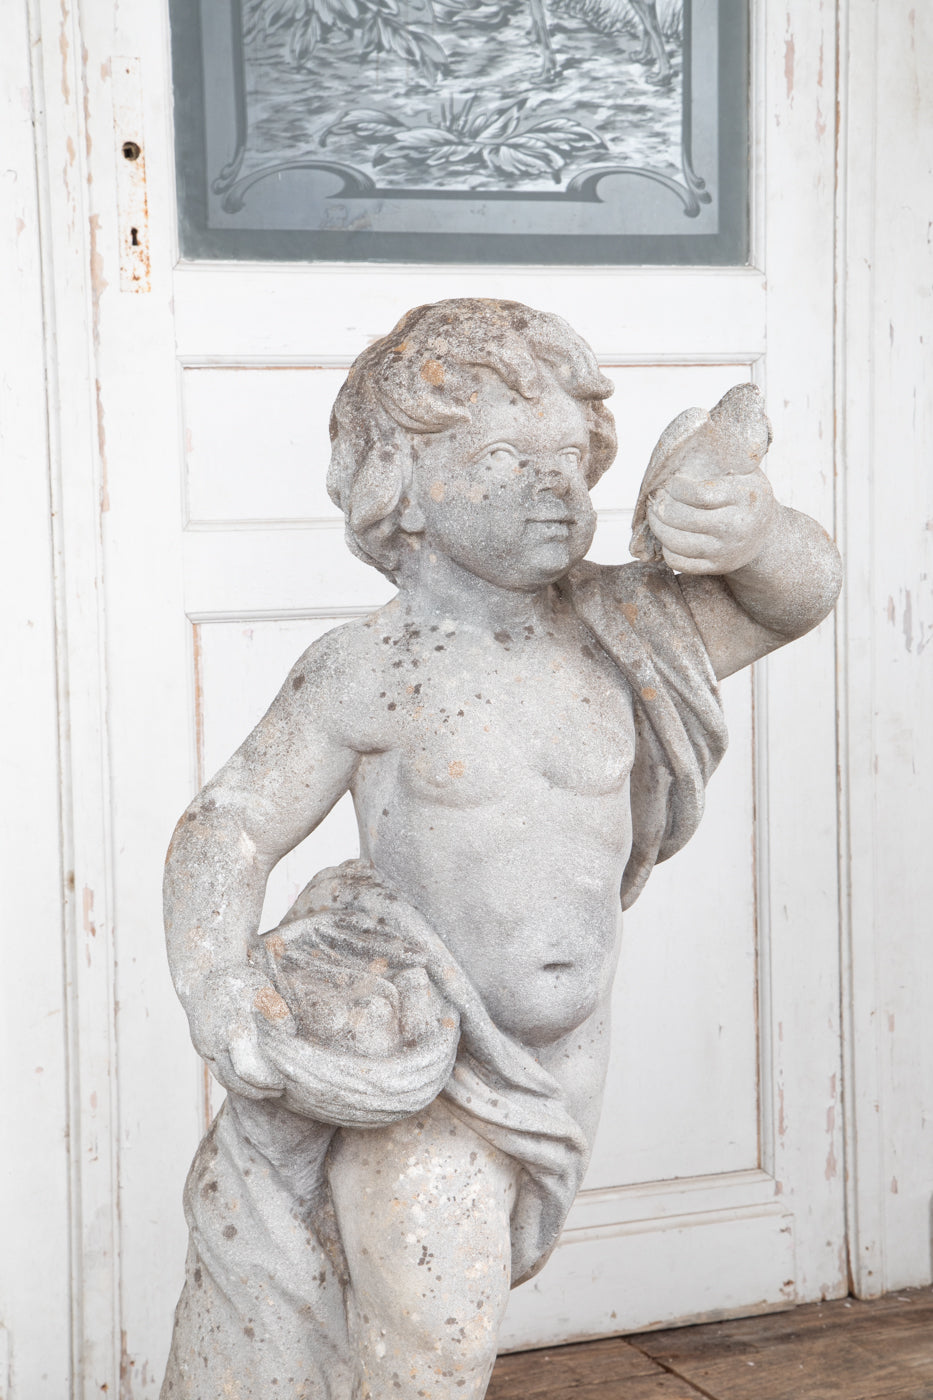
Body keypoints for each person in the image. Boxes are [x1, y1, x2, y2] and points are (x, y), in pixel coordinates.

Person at [160, 299, 842, 1400]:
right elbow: (229, 822)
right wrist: (215, 977)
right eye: (504, 458)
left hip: (564, 1065)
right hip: (418, 1048)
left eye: (572, 458)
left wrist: (757, 533)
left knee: (426, 1319)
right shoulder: (371, 668)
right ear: (403, 488)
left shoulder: (625, 628)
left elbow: (795, 597)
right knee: (435, 1337)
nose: (556, 486)